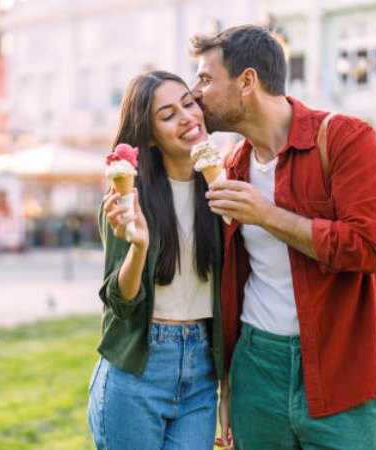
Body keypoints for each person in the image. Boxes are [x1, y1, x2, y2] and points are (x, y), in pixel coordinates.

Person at [190, 25, 376, 449]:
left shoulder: (347, 138)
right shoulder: (231, 167)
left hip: (345, 366)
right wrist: (229, 382)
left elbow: (367, 247)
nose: (197, 93)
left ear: (247, 82)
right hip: (257, 371)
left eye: (205, 79)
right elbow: (233, 283)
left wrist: (267, 215)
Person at [88, 71, 226, 450]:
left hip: (201, 372)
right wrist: (138, 248)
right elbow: (121, 301)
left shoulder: (220, 188)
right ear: (148, 135)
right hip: (138, 369)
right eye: (167, 115)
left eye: (188, 102)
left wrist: (226, 383)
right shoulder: (128, 198)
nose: (186, 117)